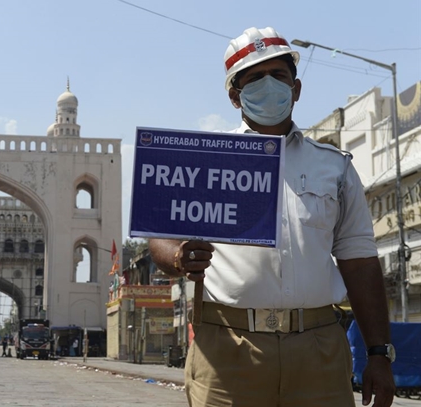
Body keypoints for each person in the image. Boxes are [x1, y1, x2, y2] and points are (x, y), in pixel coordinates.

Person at [148, 26, 395, 407]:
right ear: (235, 95)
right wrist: (179, 256)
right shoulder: (206, 162)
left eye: (278, 75)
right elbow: (159, 237)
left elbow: (359, 261)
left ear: (295, 89)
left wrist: (379, 353)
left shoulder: (334, 168)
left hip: (319, 351)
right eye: (255, 78)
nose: (269, 85)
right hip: (227, 352)